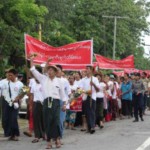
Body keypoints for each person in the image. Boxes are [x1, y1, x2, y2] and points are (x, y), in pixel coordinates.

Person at [30, 57, 67, 149]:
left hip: (56, 102)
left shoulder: (60, 81)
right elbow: (33, 70)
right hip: (46, 102)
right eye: (49, 70)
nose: (50, 71)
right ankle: (49, 141)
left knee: (57, 121)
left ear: (55, 72)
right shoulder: (43, 79)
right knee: (47, 121)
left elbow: (63, 95)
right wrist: (31, 60)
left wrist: (65, 104)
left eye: (52, 70)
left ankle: (57, 139)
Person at [0, 69, 24, 141]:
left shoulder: (20, 84)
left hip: (15, 103)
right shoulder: (4, 82)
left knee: (13, 119)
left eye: (11, 75)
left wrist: (19, 97)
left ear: (15, 75)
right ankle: (9, 134)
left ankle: (15, 134)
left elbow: (25, 91)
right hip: (6, 102)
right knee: (5, 119)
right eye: (8, 75)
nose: (9, 76)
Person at [79, 65, 99, 134]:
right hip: (85, 97)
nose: (86, 70)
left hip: (92, 97)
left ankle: (92, 126)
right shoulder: (83, 80)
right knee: (87, 113)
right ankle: (89, 127)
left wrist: (93, 84)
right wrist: (86, 92)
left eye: (88, 69)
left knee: (92, 112)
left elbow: (98, 89)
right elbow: (79, 90)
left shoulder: (95, 79)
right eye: (86, 68)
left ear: (91, 70)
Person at [30, 77, 45, 143]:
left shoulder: (44, 83)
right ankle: (37, 136)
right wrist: (31, 105)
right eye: (35, 77)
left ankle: (45, 134)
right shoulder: (33, 84)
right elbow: (32, 95)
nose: (36, 79)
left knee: (44, 120)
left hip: (44, 103)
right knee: (36, 120)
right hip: (36, 103)